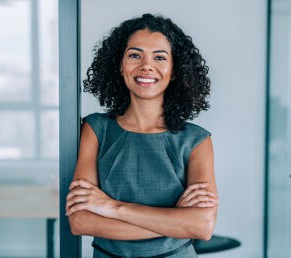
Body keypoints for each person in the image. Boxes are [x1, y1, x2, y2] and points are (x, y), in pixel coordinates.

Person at [66, 13, 219, 258]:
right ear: (120, 64)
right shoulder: (95, 129)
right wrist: (174, 221)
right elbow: (81, 221)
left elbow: (201, 226)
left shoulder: (196, 140)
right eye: (135, 55)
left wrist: (111, 207)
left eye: (159, 57)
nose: (146, 65)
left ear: (174, 70)